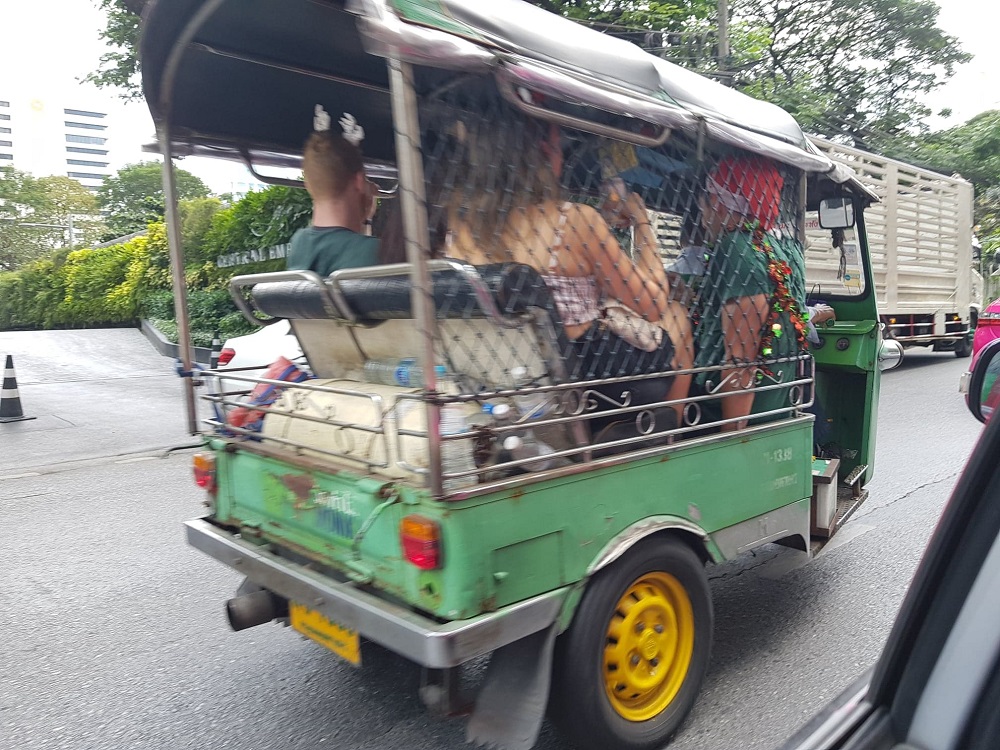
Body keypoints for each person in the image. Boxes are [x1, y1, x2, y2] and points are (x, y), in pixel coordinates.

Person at [444, 117, 694, 421]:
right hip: (584, 372)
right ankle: (670, 430)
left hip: (502, 371)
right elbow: (653, 303)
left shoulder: (458, 227)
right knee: (676, 315)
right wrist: (641, 222)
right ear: (544, 154)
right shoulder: (573, 219)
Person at [693, 154, 809, 431]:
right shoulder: (784, 249)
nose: (702, 219)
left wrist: (733, 437)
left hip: (731, 418)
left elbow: (741, 362)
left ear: (719, 204)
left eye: (704, 206)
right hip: (774, 409)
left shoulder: (736, 248)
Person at [286, 109, 379, 276]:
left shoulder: (299, 244)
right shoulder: (374, 251)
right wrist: (366, 216)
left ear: (308, 185)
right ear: (358, 181)